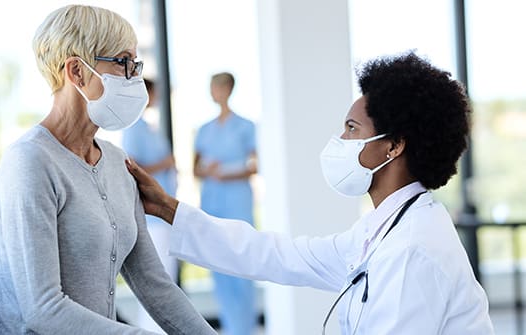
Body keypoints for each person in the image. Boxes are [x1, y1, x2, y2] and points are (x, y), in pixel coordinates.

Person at [126, 53, 495, 334]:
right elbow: (281, 255)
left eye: (352, 128)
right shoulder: (383, 231)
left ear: (394, 145)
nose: (340, 141)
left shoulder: (414, 248)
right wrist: (171, 209)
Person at [0, 5, 216, 335]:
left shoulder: (117, 164)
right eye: (123, 63)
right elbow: (43, 310)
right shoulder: (29, 162)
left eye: (136, 66)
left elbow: (155, 285)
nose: (134, 79)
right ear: (77, 71)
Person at [191, 72, 258, 335]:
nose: (214, 92)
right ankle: (229, 329)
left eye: (217, 87)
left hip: (237, 202)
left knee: (241, 264)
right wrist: (210, 171)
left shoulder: (246, 126)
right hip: (212, 203)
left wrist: (228, 171)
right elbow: (196, 169)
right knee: (218, 265)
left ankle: (244, 329)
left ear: (228, 89)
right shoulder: (204, 130)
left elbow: (255, 165)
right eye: (211, 88)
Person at [122, 78, 180, 333]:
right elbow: (132, 167)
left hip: (165, 217)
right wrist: (165, 164)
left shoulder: (148, 127)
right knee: (158, 284)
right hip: (152, 218)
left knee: (166, 282)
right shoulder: (134, 128)